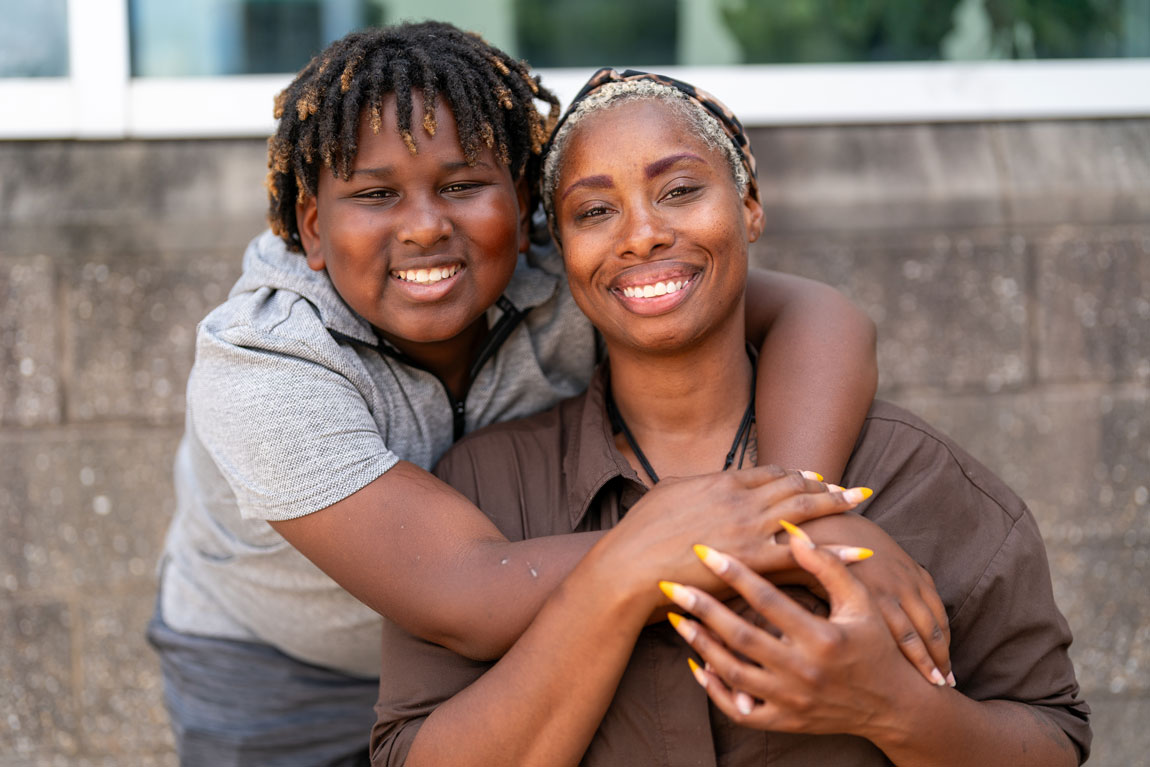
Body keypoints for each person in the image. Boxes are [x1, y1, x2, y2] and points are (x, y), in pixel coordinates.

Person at [147, 23, 957, 766]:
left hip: (501, 652)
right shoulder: (262, 360)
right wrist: (772, 540)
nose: (426, 225)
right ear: (314, 227)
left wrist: (801, 511)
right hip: (280, 673)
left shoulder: (570, 269)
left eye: (463, 183)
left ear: (525, 200)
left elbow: (820, 315)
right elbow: (464, 589)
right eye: (376, 194)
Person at [370, 69, 1091, 766]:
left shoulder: (912, 474)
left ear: (749, 207)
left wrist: (891, 707)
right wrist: (613, 584)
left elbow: (1052, 734)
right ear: (561, 252)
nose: (643, 233)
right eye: (594, 210)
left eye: (680, 190)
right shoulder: (486, 489)